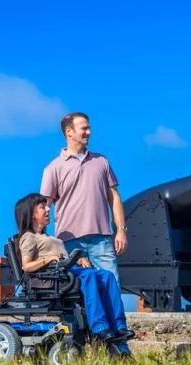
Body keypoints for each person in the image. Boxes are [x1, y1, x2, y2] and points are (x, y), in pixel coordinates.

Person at [14, 193, 134, 344]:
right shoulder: (29, 237)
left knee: (107, 276)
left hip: (67, 273)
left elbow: (62, 258)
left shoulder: (48, 237)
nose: (48, 209)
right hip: (54, 279)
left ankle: (119, 326)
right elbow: (26, 266)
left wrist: (78, 259)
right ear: (31, 214)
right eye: (42, 207)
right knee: (90, 276)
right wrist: (48, 259)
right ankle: (99, 327)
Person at [40, 112, 127, 284]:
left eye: (89, 128)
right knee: (75, 293)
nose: (89, 132)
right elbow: (43, 207)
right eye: (84, 128)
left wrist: (121, 231)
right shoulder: (53, 168)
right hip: (69, 243)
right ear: (69, 132)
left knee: (112, 289)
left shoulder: (101, 161)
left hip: (101, 238)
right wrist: (43, 242)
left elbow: (114, 198)